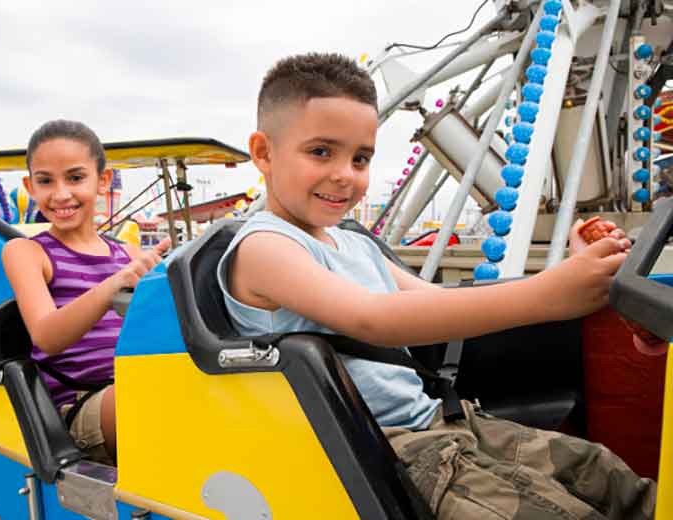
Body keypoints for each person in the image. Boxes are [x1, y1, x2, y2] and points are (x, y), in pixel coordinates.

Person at [218, 53, 657, 519]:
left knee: (600, 471)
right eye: (321, 152)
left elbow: (441, 307)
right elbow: (374, 320)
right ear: (264, 153)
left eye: (360, 157)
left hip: (441, 422)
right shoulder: (264, 247)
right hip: (382, 452)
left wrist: (574, 275)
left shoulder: (355, 245)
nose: (345, 174)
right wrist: (548, 293)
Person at [2, 120, 170, 466]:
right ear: (29, 186)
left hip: (136, 386)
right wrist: (111, 286)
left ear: (103, 181)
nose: (61, 194)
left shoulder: (129, 254)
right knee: (157, 396)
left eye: (75, 178)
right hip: (79, 408)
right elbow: (46, 336)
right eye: (46, 181)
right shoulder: (27, 252)